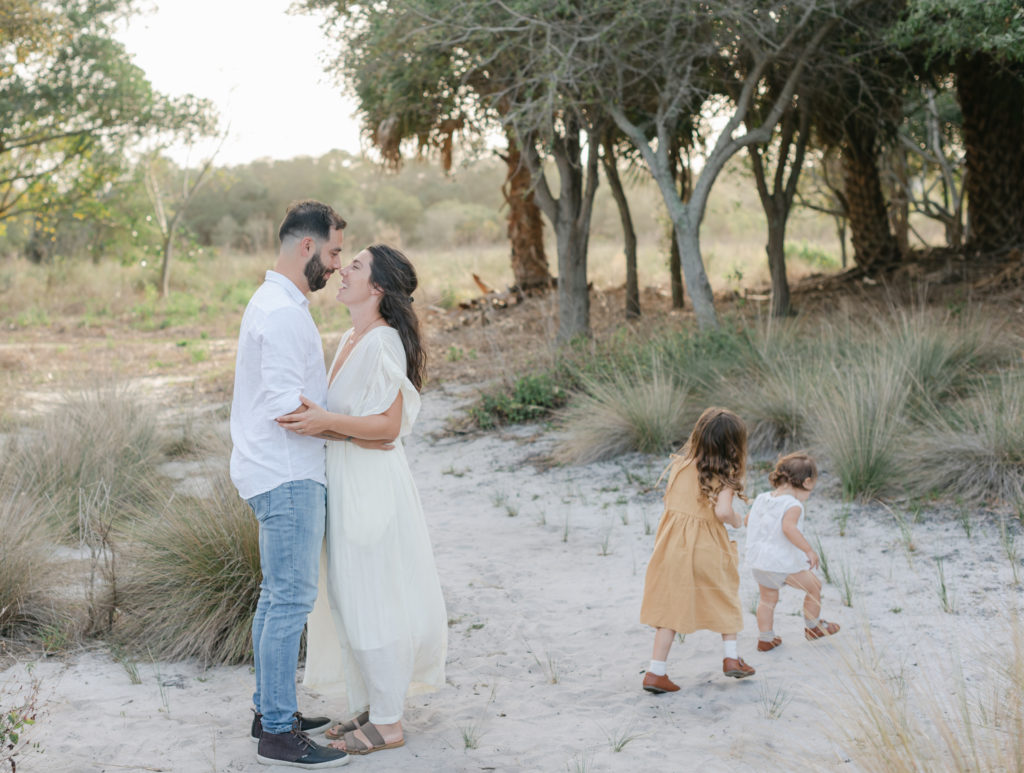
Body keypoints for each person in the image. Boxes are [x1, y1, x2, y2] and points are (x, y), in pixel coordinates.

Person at [276, 243, 447, 757]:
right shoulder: (352, 335)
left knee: (373, 598)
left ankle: (390, 723)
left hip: (372, 486)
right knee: (352, 599)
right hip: (348, 478)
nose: (341, 270)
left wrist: (327, 423)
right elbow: (362, 426)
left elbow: (388, 429)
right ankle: (377, 702)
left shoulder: (384, 342)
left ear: (377, 288)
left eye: (355, 267)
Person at [229, 199, 352, 769]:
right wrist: (341, 427)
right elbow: (285, 405)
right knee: (289, 602)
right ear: (306, 247)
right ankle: (277, 732)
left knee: (275, 599)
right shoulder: (280, 312)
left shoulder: (277, 302)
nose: (335, 265)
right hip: (287, 473)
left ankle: (269, 710)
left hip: (276, 470)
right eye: (332, 253)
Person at [639, 407, 754, 694]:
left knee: (670, 607)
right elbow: (724, 512)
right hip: (707, 546)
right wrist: (739, 521)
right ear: (733, 445)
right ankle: (731, 656)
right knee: (724, 594)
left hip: (671, 546)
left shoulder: (678, 465)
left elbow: (671, 504)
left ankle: (656, 671)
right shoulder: (725, 475)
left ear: (698, 435)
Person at [745, 452, 840, 651]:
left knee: (767, 600)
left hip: (759, 563)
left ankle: (766, 637)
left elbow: (748, 520)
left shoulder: (762, 499)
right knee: (814, 586)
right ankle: (814, 627)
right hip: (780, 563)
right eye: (811, 489)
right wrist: (808, 550)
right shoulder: (793, 505)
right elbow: (789, 528)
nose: (809, 495)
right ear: (806, 482)